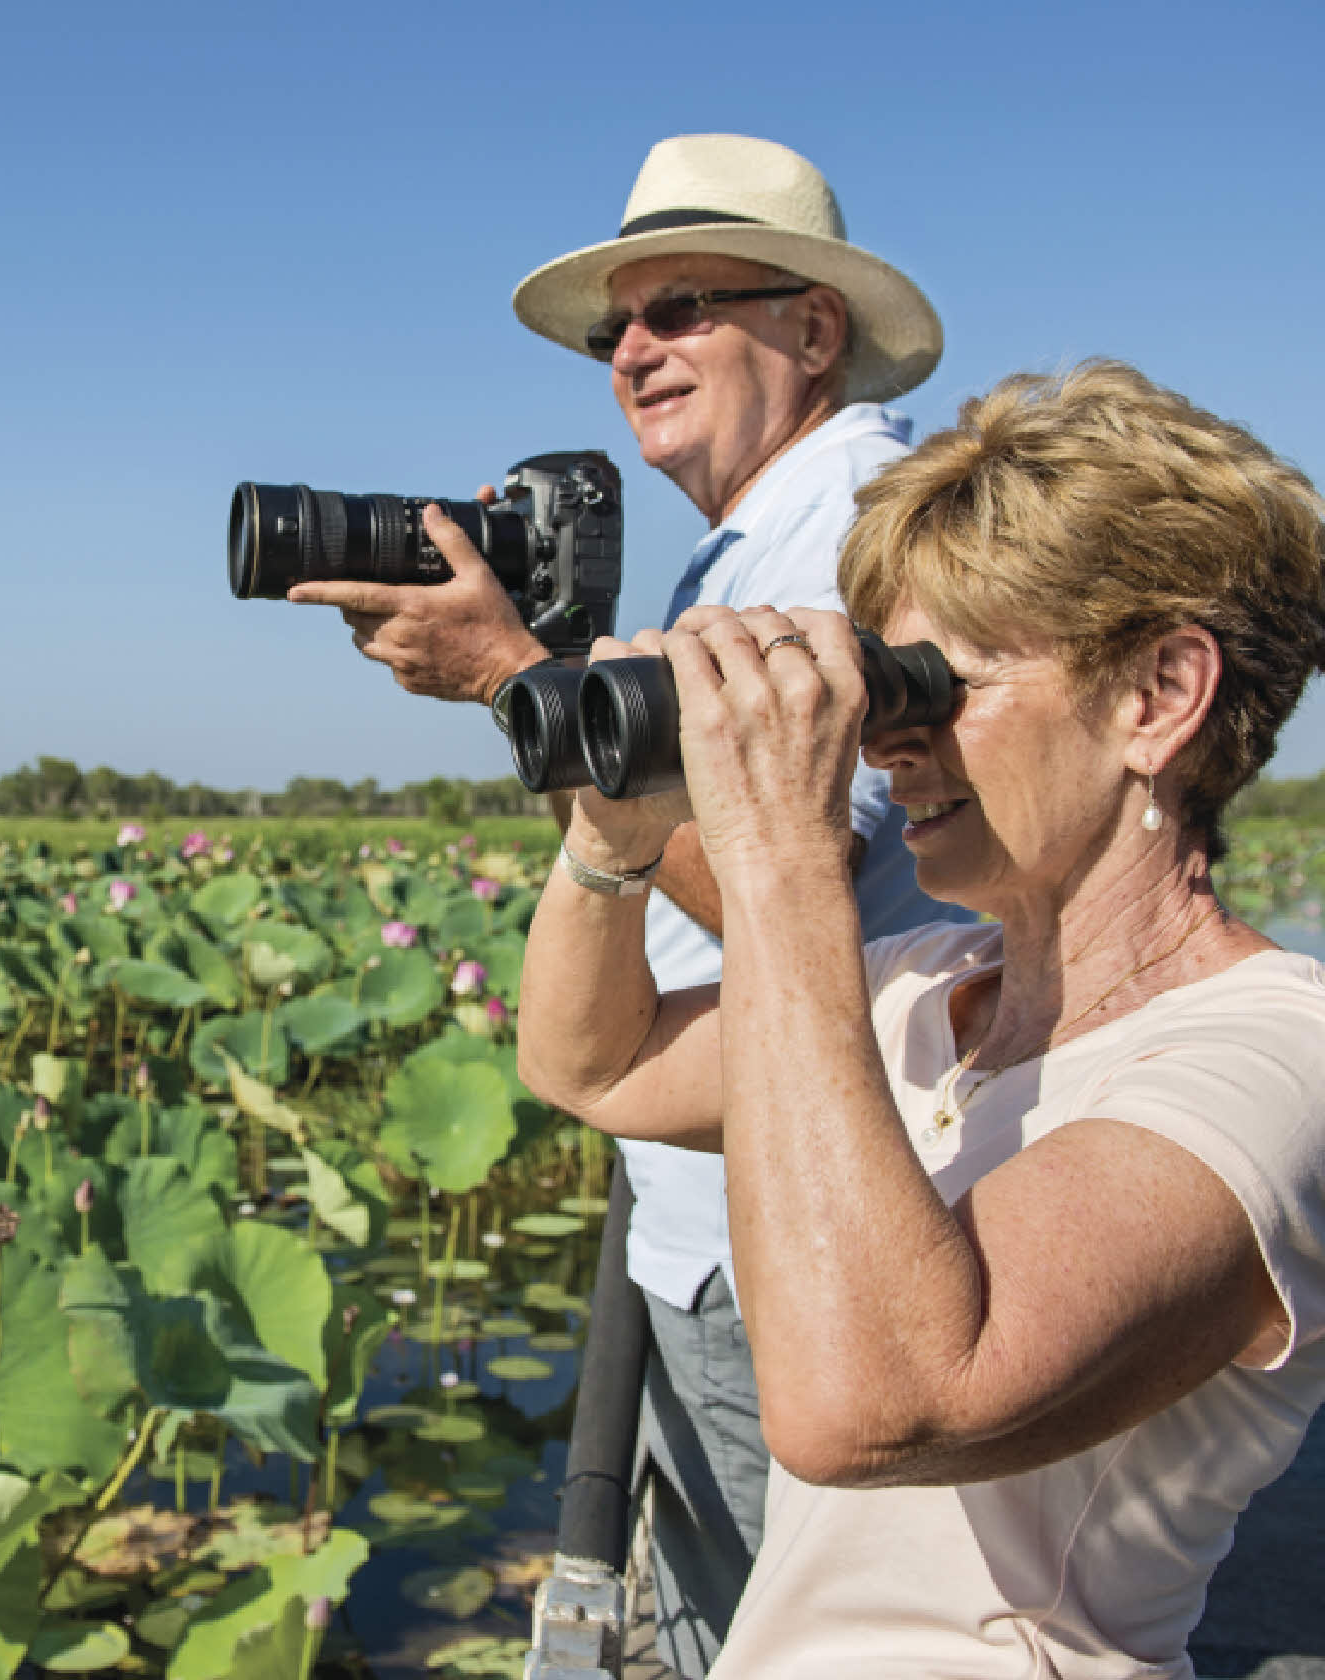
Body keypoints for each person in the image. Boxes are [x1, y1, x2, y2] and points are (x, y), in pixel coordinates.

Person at [514, 360, 1325, 1676]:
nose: (889, 745)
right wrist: (619, 824)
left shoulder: (1277, 1071)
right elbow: (589, 1065)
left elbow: (865, 1407)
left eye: (936, 689)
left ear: (1158, 695)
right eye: (887, 690)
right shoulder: (928, 987)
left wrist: (782, 857)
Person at [288, 133, 958, 1671]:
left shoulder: (844, 534)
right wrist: (539, 686)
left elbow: (815, 918)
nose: (633, 352)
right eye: (616, 329)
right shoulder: (743, 548)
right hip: (711, 1196)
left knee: (776, 1635)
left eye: (681, 310)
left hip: (772, 1225)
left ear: (811, 328)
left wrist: (519, 681)